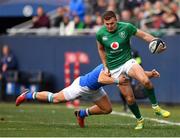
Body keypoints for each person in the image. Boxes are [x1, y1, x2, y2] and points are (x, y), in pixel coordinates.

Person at [15, 64, 159, 129]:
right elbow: (102, 79)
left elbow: (133, 73)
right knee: (55, 98)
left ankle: (81, 113)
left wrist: (149, 74)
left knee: (107, 109)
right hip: (82, 87)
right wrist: (116, 80)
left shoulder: (120, 65)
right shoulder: (107, 64)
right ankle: (29, 95)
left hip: (95, 90)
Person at [96, 11, 170, 130]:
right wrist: (105, 66)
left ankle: (156, 107)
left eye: (112, 23)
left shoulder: (126, 27)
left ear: (116, 20)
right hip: (114, 68)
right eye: (107, 24)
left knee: (145, 81)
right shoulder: (100, 34)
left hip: (127, 61)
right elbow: (100, 49)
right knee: (129, 98)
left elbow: (145, 36)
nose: (109, 26)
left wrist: (159, 42)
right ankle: (139, 120)